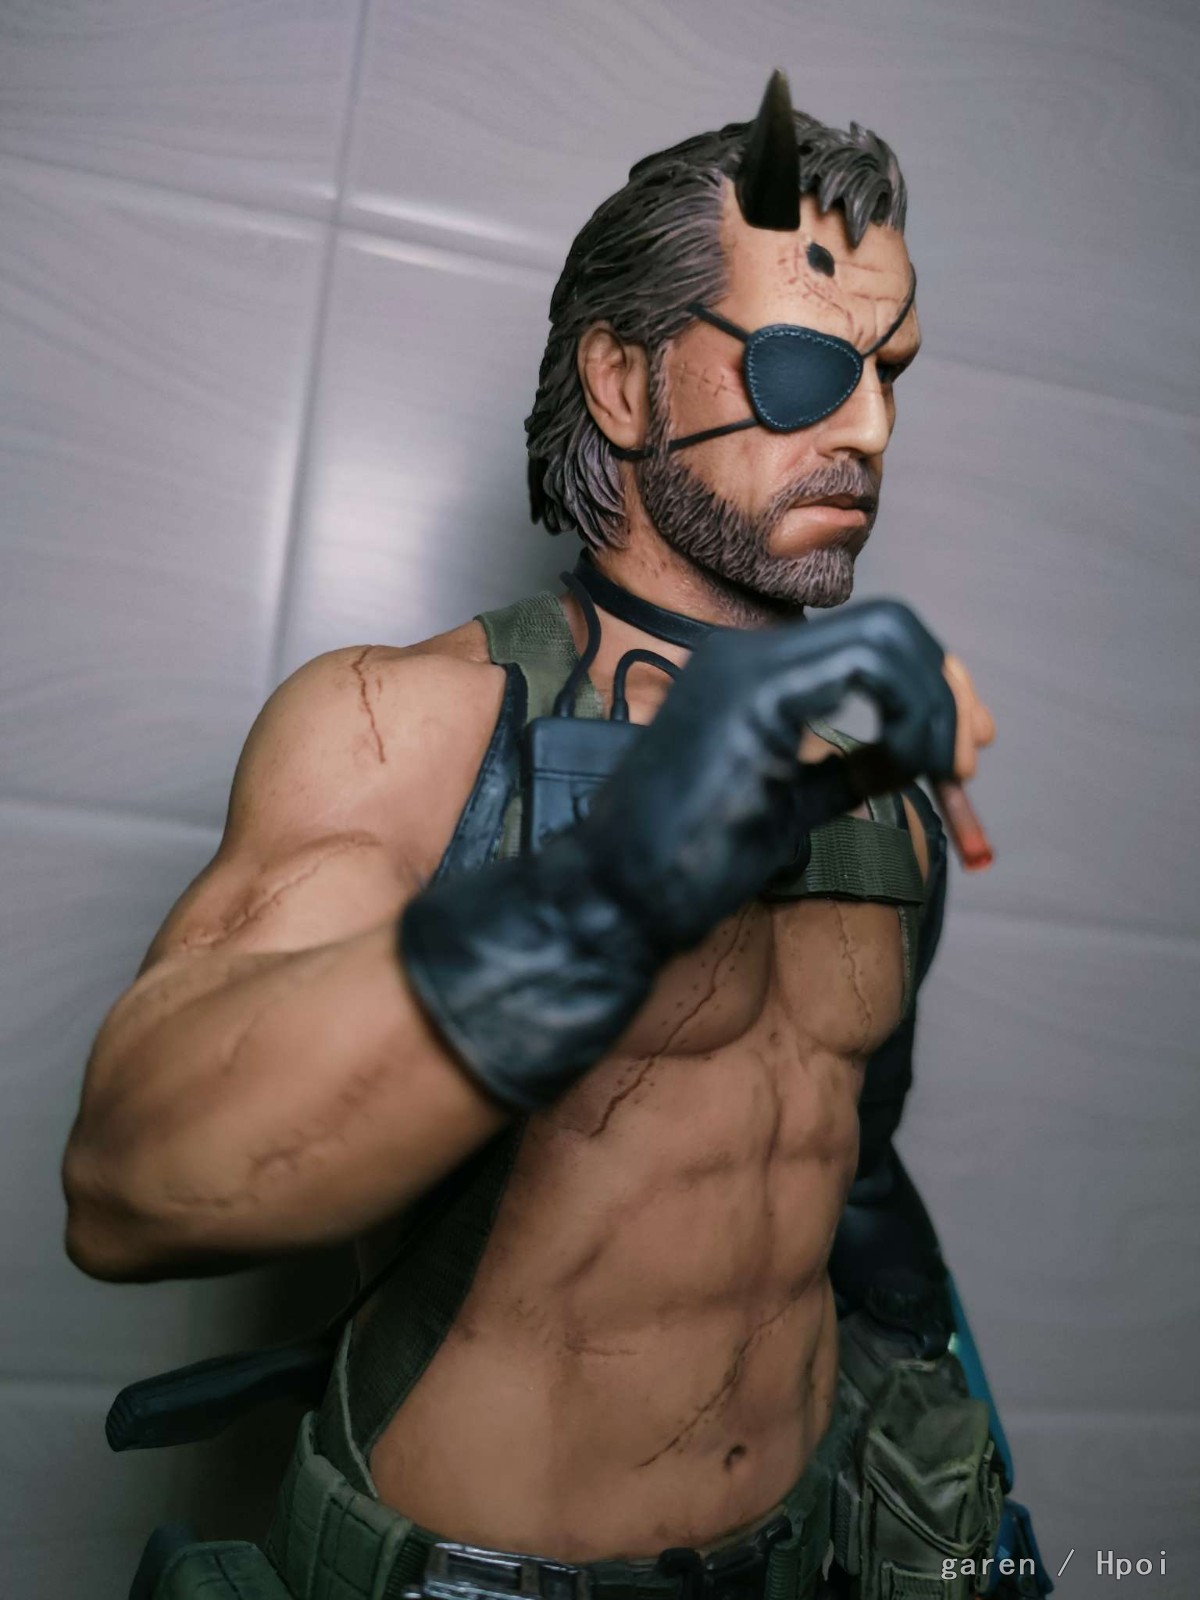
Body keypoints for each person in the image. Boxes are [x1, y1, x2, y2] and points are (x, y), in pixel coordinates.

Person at [62, 73, 1049, 1600]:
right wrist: (607, 888)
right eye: (805, 364)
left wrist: (957, 1452)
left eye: (890, 371)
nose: (871, 426)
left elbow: (846, 1171)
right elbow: (127, 1184)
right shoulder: (405, 729)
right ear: (623, 382)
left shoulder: (886, 790)